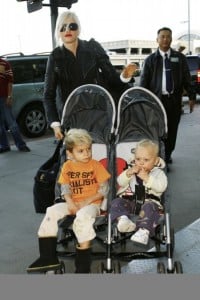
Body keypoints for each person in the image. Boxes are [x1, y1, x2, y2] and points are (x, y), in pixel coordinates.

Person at [43, 11, 137, 141]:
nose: (67, 30)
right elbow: (48, 95)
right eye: (63, 27)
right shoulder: (55, 56)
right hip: (71, 118)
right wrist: (55, 124)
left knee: (101, 155)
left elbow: (110, 76)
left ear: (79, 29)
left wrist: (124, 76)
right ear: (58, 32)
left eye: (72, 26)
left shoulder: (92, 47)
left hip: (97, 113)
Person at [27, 128, 111, 273]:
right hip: (73, 202)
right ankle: (48, 258)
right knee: (51, 211)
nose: (87, 153)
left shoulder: (95, 165)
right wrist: (70, 202)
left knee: (82, 218)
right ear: (69, 153)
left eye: (88, 149)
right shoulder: (67, 166)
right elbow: (65, 188)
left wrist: (86, 202)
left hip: (92, 205)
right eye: (81, 151)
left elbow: (104, 189)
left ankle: (83, 267)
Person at [139, 27, 195, 167]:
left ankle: (167, 154)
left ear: (171, 39)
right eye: (162, 36)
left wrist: (192, 96)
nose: (165, 39)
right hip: (156, 102)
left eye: (168, 36)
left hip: (174, 101)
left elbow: (187, 79)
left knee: (172, 129)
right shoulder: (151, 60)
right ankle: (159, 156)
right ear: (157, 39)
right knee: (157, 130)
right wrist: (143, 102)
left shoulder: (179, 58)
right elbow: (144, 82)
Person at [110, 139, 168, 245]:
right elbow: (120, 182)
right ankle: (123, 220)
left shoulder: (158, 173)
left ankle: (143, 231)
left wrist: (148, 178)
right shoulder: (131, 170)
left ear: (155, 161)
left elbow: (161, 187)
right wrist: (128, 174)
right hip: (131, 203)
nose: (141, 162)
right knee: (116, 202)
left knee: (150, 207)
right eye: (138, 159)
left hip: (148, 204)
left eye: (146, 160)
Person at [0, 57, 30, 153]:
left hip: (4, 98)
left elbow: (10, 81)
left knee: (11, 123)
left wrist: (9, 96)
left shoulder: (4, 64)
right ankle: (4, 146)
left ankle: (21, 145)